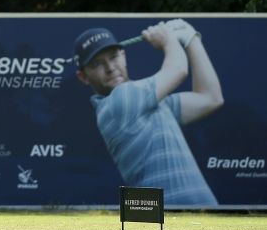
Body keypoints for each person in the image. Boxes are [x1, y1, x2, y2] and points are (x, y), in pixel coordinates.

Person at [73, 18, 224, 206]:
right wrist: (169, 40)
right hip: (174, 221)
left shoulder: (146, 104)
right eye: (97, 64)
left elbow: (210, 98)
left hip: (176, 219)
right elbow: (178, 70)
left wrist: (192, 39)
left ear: (123, 55)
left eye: (113, 57)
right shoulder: (120, 101)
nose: (110, 68)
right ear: (83, 77)